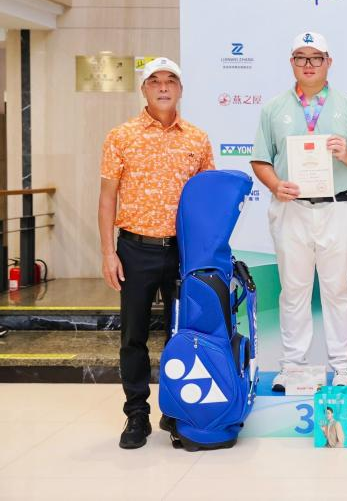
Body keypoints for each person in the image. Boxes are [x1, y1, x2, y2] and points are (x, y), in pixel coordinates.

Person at [98, 57, 214, 449]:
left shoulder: (197, 139)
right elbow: (107, 198)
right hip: (134, 249)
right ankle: (136, 415)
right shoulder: (121, 136)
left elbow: (206, 201)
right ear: (144, 89)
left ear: (180, 89)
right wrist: (108, 252)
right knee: (133, 335)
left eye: (170, 81)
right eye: (155, 81)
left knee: (181, 334)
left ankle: (177, 410)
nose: (163, 87)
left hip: (183, 252)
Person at [251, 32, 347, 392]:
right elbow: (260, 159)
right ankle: (294, 365)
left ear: (328, 62)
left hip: (337, 207)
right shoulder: (273, 108)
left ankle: (343, 367)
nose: (308, 65)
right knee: (294, 291)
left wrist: (346, 153)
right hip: (291, 208)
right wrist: (275, 185)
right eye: (301, 58)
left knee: (338, 290)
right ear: (292, 63)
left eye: (316, 57)